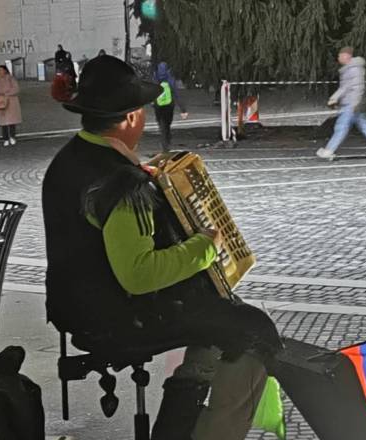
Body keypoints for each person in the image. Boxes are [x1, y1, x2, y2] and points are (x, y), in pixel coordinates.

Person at [41, 55, 281, 440]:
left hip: (74, 308)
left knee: (218, 321)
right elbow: (139, 275)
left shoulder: (66, 161)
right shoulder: (123, 183)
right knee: (254, 331)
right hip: (118, 316)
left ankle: (183, 412)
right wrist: (205, 246)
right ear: (131, 118)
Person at [317, 47, 366, 160]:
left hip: (351, 103)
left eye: (340, 55)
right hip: (352, 103)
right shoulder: (349, 69)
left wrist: (355, 103)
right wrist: (334, 98)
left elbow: (358, 87)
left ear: (346, 56)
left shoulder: (354, 69)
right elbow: (345, 87)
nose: (338, 58)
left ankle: (329, 150)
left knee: (341, 127)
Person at [153, 62, 188, 152]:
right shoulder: (170, 79)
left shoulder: (155, 79)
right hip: (169, 106)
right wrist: (183, 109)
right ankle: (167, 140)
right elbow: (176, 94)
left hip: (158, 106)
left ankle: (164, 143)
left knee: (161, 125)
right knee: (167, 124)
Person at [0, 65, 22, 146]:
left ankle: (12, 137)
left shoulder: (11, 79)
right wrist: (1, 94)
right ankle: (5, 138)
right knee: (3, 122)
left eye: (0, 70)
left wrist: (6, 93)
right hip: (1, 102)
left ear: (5, 70)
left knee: (12, 121)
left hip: (11, 102)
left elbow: (16, 89)